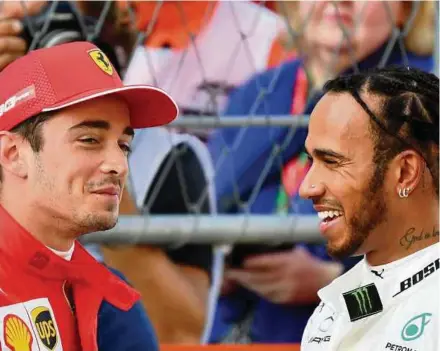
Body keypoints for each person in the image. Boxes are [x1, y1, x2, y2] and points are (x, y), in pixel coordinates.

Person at [207, 0, 435, 343]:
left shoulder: (423, 103)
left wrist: (330, 283)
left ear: (406, 10)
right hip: (231, 331)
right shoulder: (259, 93)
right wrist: (213, 268)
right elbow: (205, 208)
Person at [0, 1, 216, 343]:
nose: (119, 164)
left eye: (123, 144)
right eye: (89, 139)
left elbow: (179, 335)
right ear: (12, 153)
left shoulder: (110, 303)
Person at [299, 65, 439, 350]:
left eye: (332, 162)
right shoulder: (332, 309)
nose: (307, 187)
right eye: (311, 161)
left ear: (404, 172)